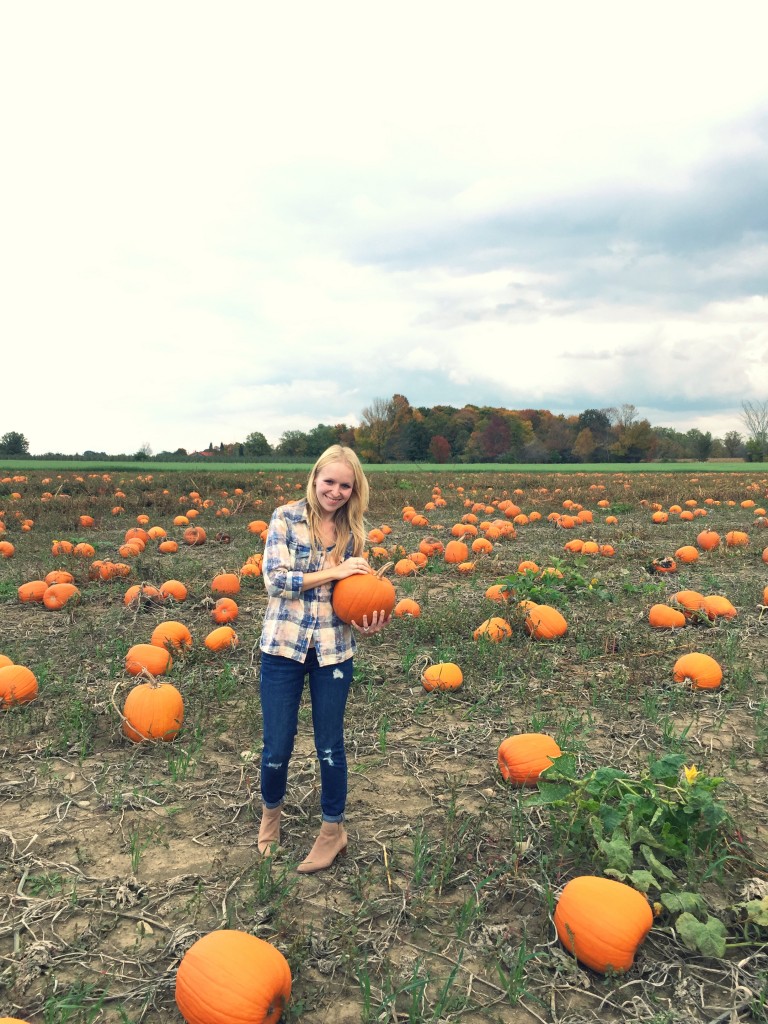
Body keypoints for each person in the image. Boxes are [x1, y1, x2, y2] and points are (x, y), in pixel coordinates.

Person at [257, 445, 390, 872]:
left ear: (355, 491)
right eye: (328, 481)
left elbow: (351, 600)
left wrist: (365, 623)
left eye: (344, 485)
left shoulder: (355, 534)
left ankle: (333, 831)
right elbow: (275, 581)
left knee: (330, 744)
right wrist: (334, 571)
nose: (335, 491)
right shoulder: (285, 518)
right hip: (283, 648)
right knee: (277, 743)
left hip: (333, 651)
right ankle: (270, 817)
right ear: (315, 478)